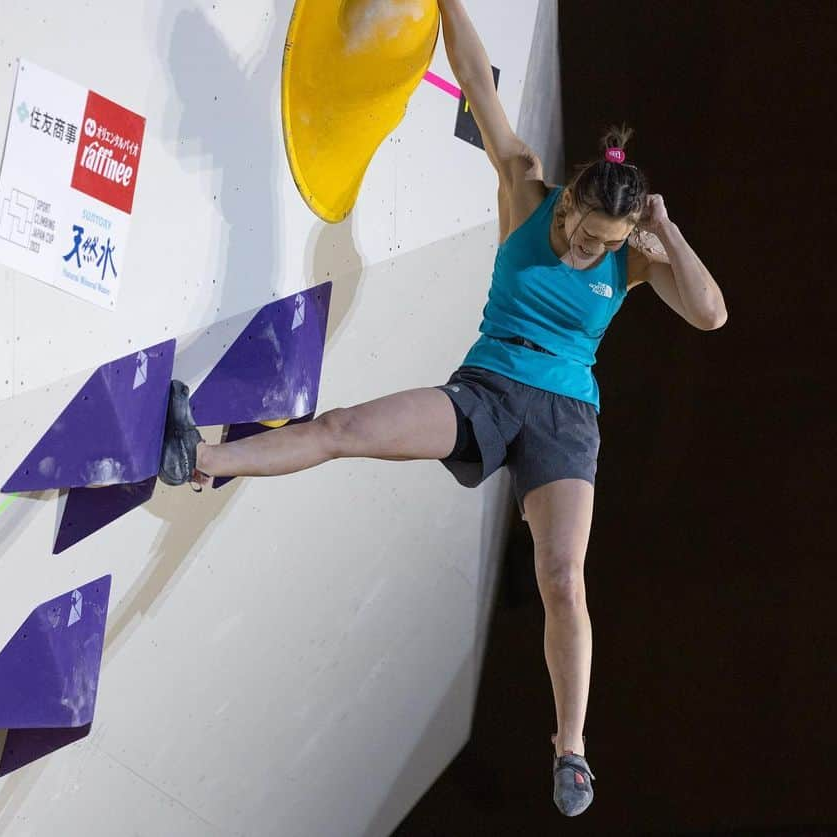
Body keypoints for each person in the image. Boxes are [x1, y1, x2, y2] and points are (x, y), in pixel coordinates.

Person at [159, 0, 727, 818]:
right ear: (566, 201)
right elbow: (472, 75)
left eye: (604, 242)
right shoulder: (526, 187)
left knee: (563, 578)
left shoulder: (629, 261)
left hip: (566, 422)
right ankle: (199, 457)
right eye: (582, 229)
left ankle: (571, 750)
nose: (585, 248)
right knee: (344, 428)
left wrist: (665, 235)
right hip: (488, 391)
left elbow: (710, 313)